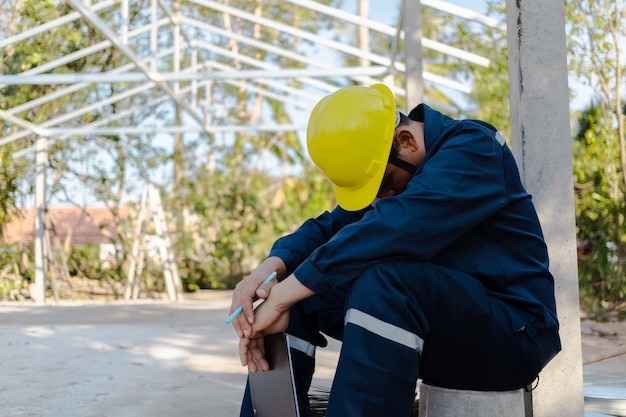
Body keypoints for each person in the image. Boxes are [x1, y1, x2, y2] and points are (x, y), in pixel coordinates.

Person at [228, 83, 562, 417]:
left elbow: (394, 227)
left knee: (384, 282)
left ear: (406, 141)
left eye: (387, 183)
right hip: (445, 327)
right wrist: (266, 277)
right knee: (299, 297)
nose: (384, 195)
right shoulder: (397, 175)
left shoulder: (474, 148)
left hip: (513, 335)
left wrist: (286, 293)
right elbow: (328, 228)